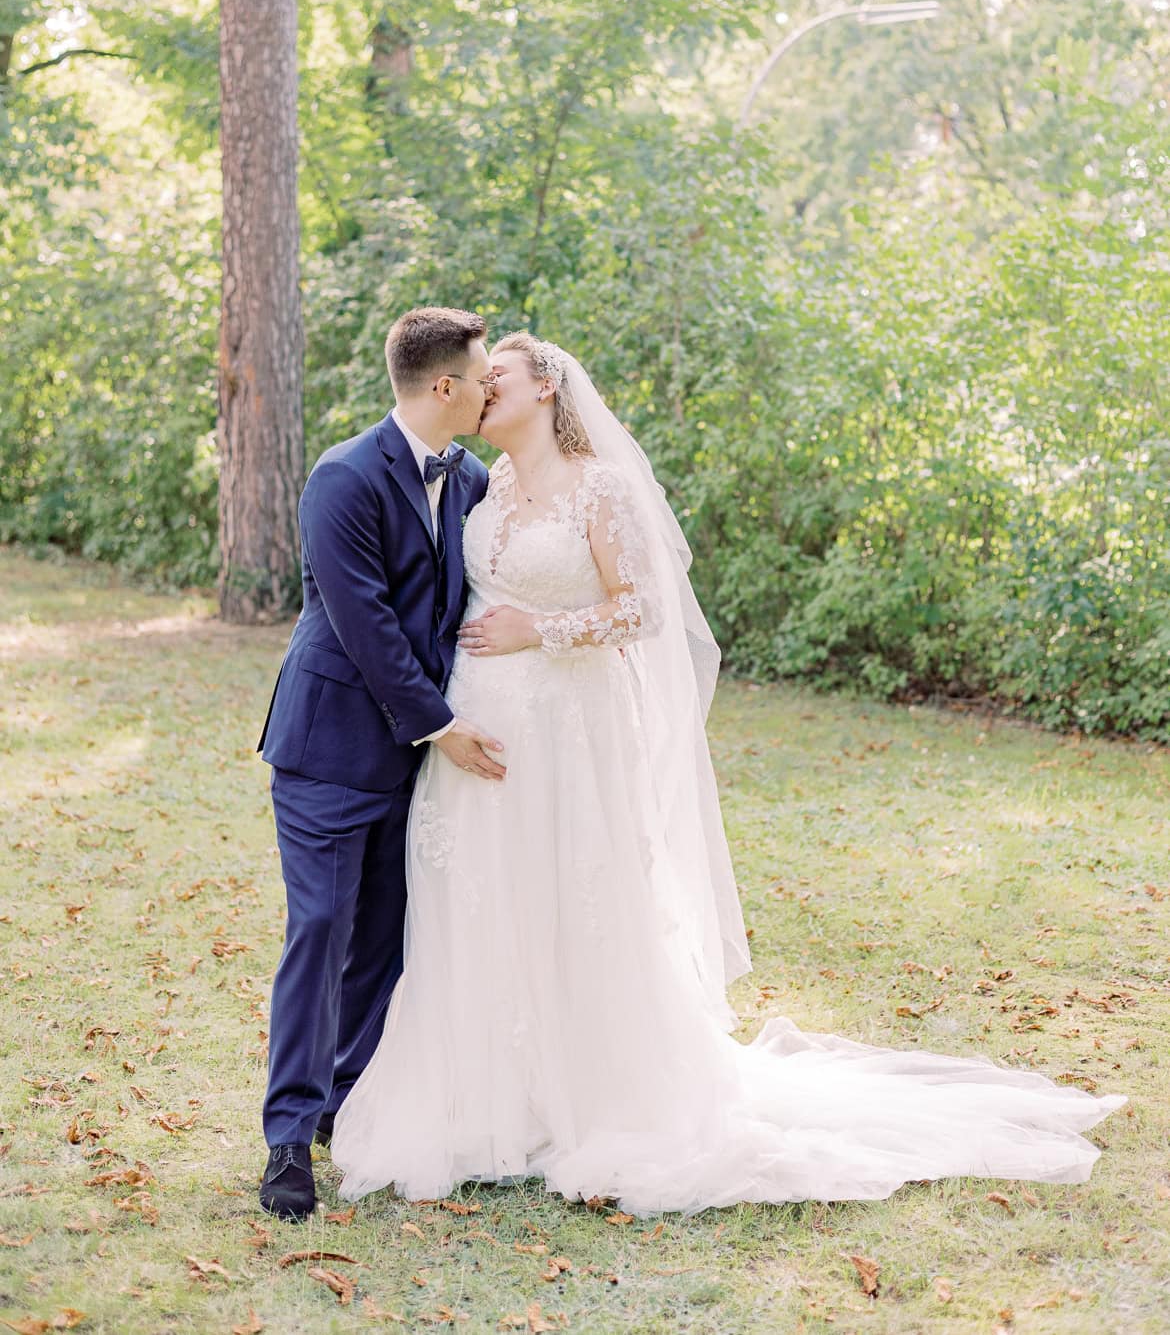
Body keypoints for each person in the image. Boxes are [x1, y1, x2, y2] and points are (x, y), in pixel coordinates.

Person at [331, 332, 1124, 1215]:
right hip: (478, 729)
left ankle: (585, 1095)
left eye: (498, 379)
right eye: (478, 381)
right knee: (482, 897)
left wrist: (540, 630)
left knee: (574, 897)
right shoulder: (487, 483)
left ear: (546, 388)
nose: (482, 393)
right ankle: (489, 1099)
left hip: (567, 730)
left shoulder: (601, 487)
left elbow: (642, 608)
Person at [256, 306, 504, 1221]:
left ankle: (345, 1102)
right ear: (445, 386)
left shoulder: (474, 477)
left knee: (386, 938)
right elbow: (365, 625)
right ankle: (286, 1137)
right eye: (481, 376)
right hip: (328, 747)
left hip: (415, 765)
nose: (488, 389)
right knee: (320, 929)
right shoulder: (342, 477)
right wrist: (442, 724)